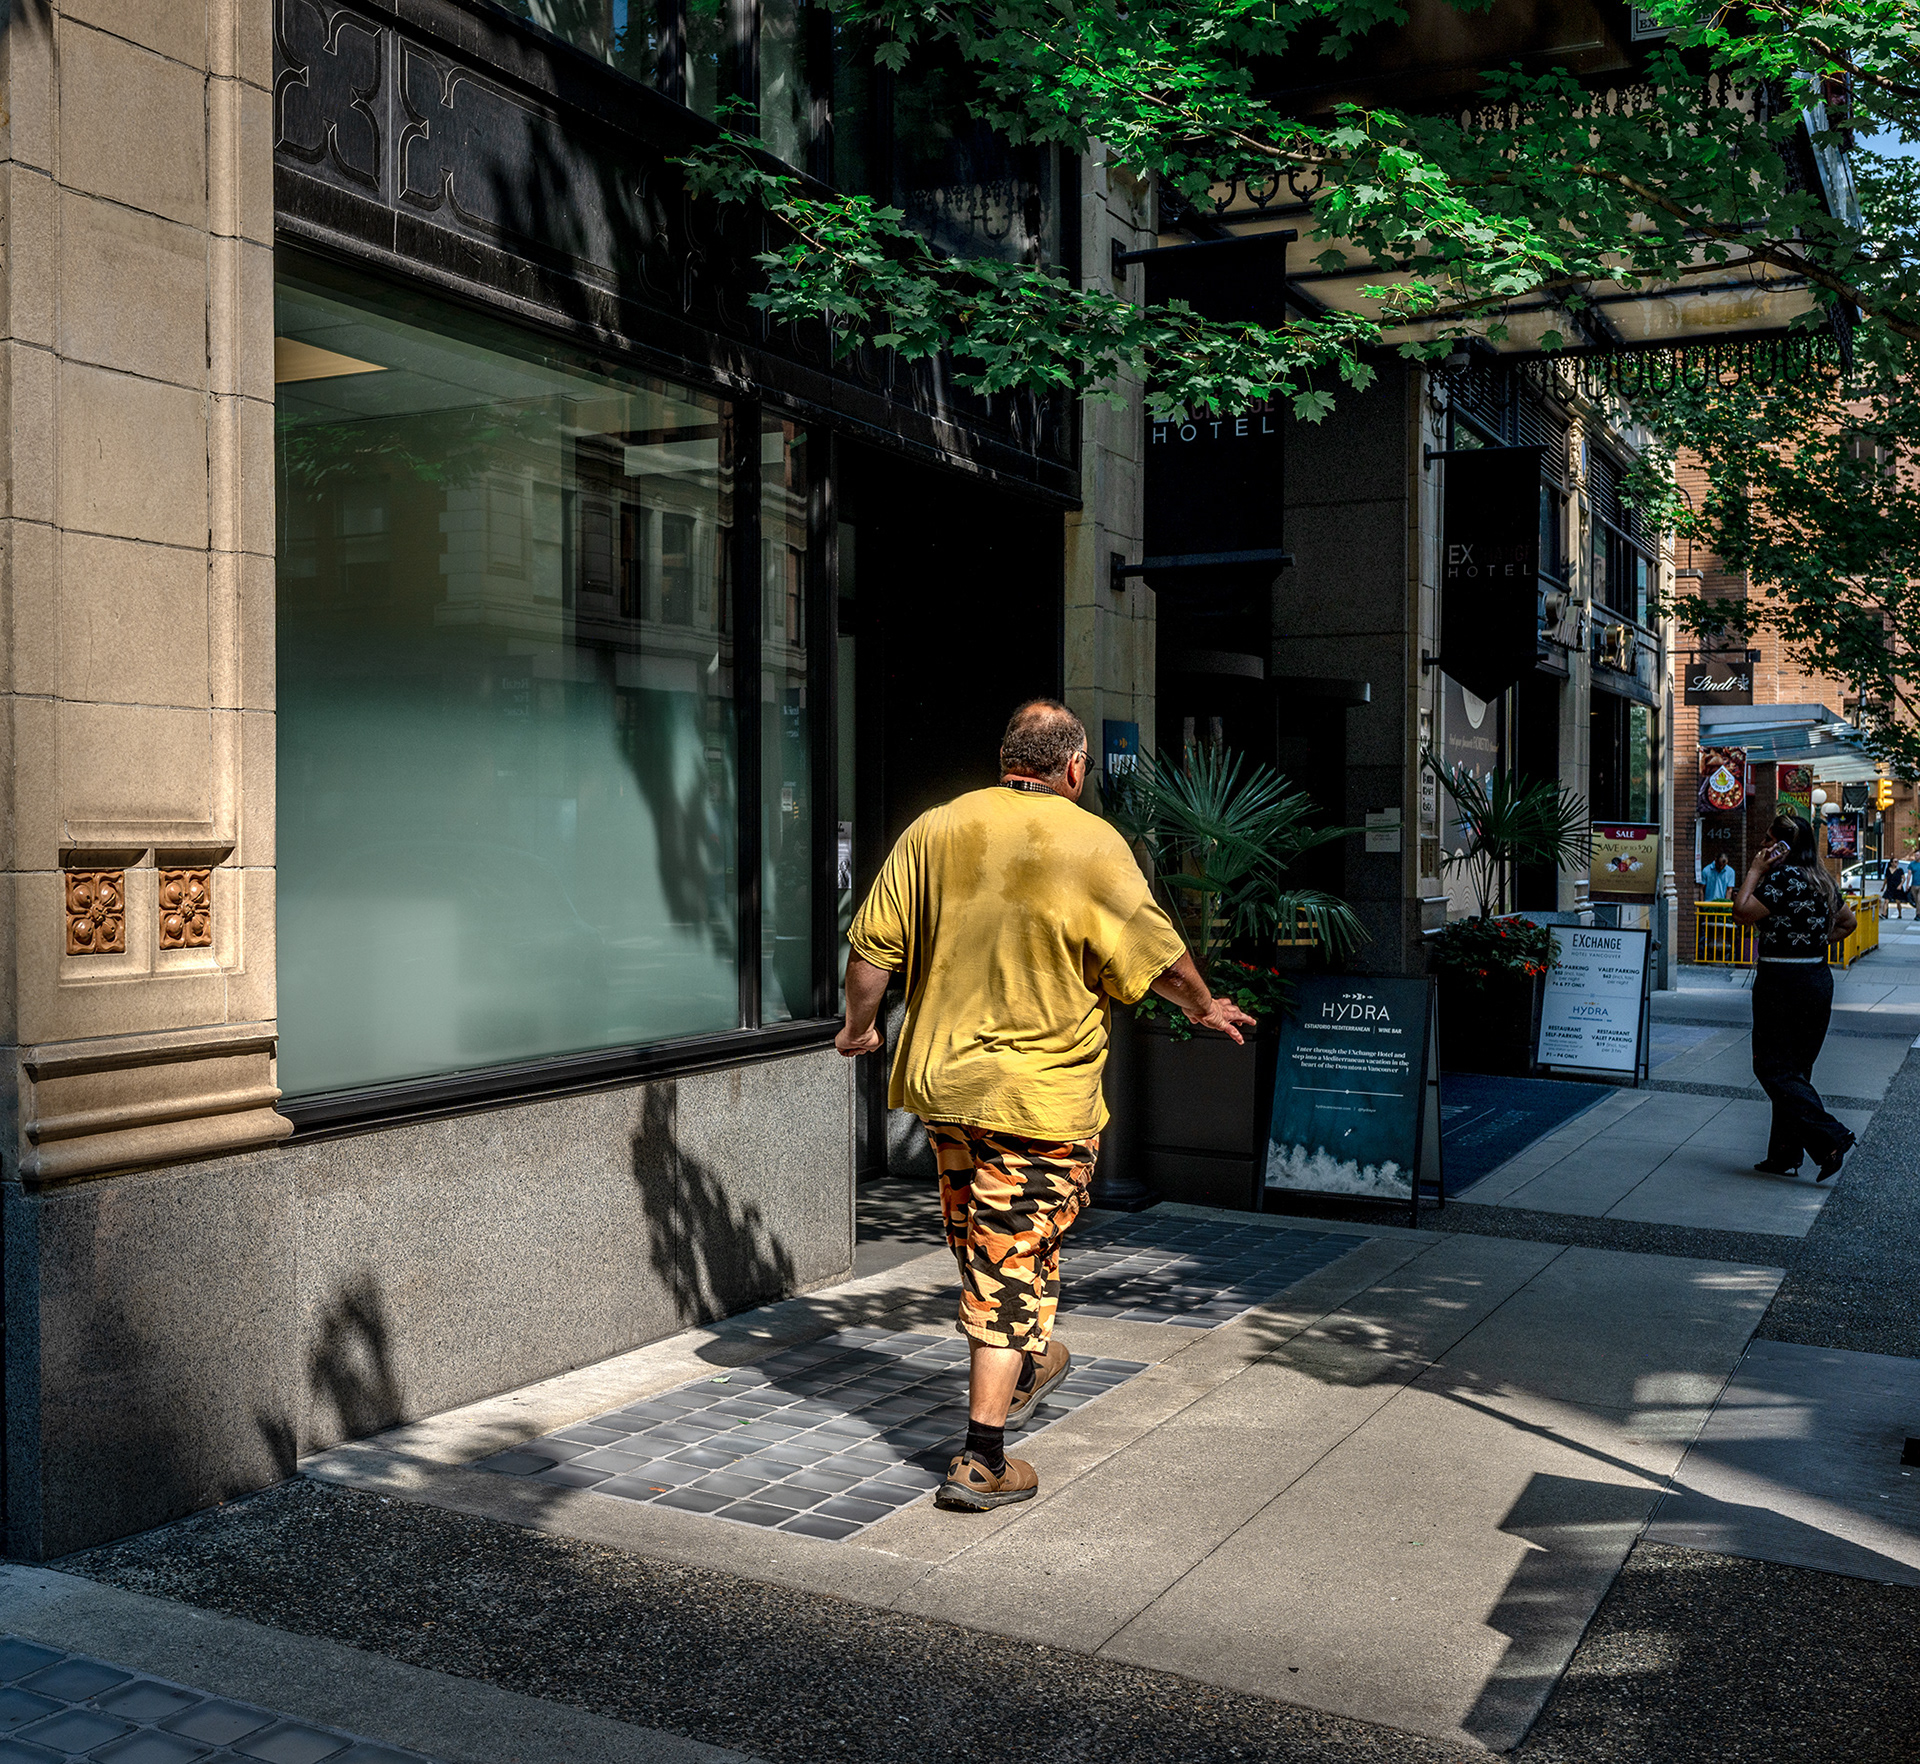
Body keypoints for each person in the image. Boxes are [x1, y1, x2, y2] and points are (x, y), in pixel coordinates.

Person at [836, 700, 1255, 1512]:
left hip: (948, 1090)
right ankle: (983, 1459)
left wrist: (858, 1030)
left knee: (988, 1241)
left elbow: (870, 950)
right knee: (1007, 1260)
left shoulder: (937, 827)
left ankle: (1028, 1362)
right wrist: (1203, 1006)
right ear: (1072, 768)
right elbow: (1157, 953)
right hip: (1038, 1096)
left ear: (1006, 760)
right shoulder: (1092, 841)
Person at [1732, 814, 1858, 1181]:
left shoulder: (1782, 879)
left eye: (1769, 841)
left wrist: (1755, 870)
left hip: (1781, 982)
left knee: (1770, 1067)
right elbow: (1848, 923)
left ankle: (1831, 1137)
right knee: (1796, 1071)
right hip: (1816, 979)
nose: (1763, 847)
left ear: (1784, 846)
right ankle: (1784, 1154)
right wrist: (1815, 944)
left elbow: (1741, 912)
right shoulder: (1822, 880)